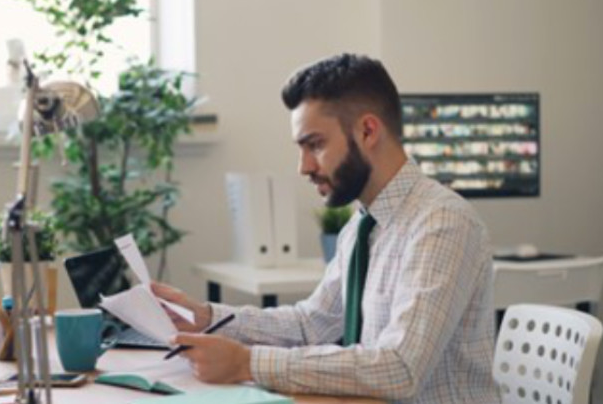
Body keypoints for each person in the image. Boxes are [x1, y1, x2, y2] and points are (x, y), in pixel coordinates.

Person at [152, 54, 500, 403]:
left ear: (367, 131)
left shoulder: (442, 223)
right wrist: (205, 317)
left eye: (315, 145)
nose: (303, 167)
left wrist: (247, 363)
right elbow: (312, 324)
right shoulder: (362, 226)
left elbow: (400, 368)